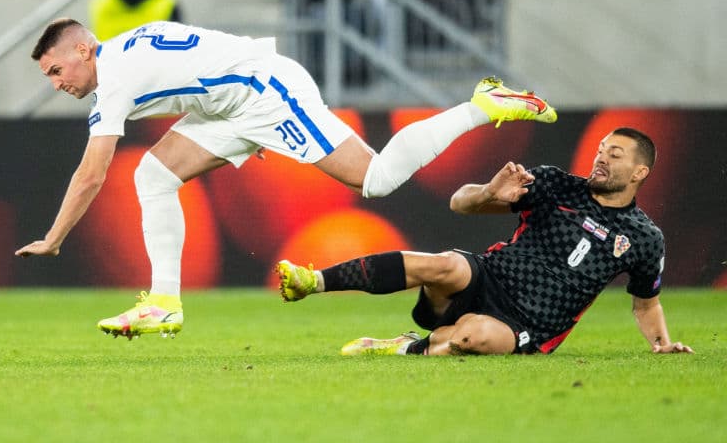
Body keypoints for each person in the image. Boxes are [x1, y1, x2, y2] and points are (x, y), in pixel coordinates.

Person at [15, 17, 557, 339]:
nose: (57, 82)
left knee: (375, 180)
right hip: (234, 103)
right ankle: (164, 302)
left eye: (57, 70)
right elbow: (205, 51)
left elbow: (92, 173)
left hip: (266, 95)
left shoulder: (114, 80)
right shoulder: (128, 47)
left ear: (84, 49)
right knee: (155, 174)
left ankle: (483, 106)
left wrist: (55, 238)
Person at [276, 128, 694, 357]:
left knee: (468, 339)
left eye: (615, 154)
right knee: (444, 264)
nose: (601, 157)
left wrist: (662, 345)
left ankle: (408, 346)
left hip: (530, 324)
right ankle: (312, 282)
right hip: (489, 278)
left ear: (639, 173)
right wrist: (492, 191)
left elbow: (647, 302)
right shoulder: (554, 183)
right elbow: (461, 203)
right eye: (601, 149)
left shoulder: (643, 237)